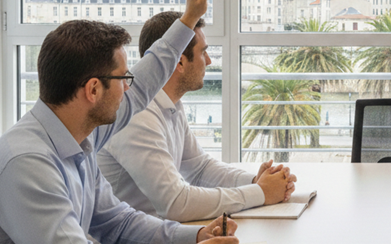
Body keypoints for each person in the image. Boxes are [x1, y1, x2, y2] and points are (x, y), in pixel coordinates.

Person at [0, 0, 239, 244]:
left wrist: (192, 239)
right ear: (93, 90)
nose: (130, 89)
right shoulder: (28, 164)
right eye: (122, 79)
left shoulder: (78, 136)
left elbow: (119, 223)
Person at [98, 11, 297, 222]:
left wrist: (256, 181)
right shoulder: (138, 117)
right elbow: (175, 203)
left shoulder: (170, 103)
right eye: (203, 53)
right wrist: (261, 193)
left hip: (156, 237)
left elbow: (199, 168)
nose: (209, 61)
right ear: (179, 62)